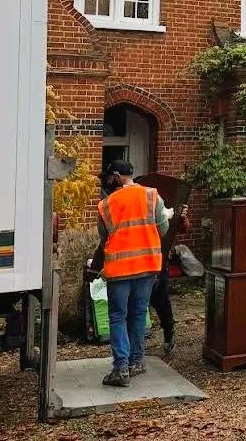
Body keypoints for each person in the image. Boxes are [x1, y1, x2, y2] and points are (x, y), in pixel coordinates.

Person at [92, 159, 168, 387]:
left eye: (109, 177)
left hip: (120, 269)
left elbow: (103, 238)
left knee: (117, 316)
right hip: (147, 266)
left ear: (116, 176)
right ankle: (137, 362)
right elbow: (163, 228)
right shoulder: (152, 195)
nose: (107, 181)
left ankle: (121, 368)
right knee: (138, 312)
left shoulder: (106, 204)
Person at [145, 199, 188, 359]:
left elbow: (181, 228)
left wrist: (181, 217)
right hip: (142, 256)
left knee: (160, 299)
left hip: (158, 258)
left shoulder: (159, 202)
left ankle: (168, 333)